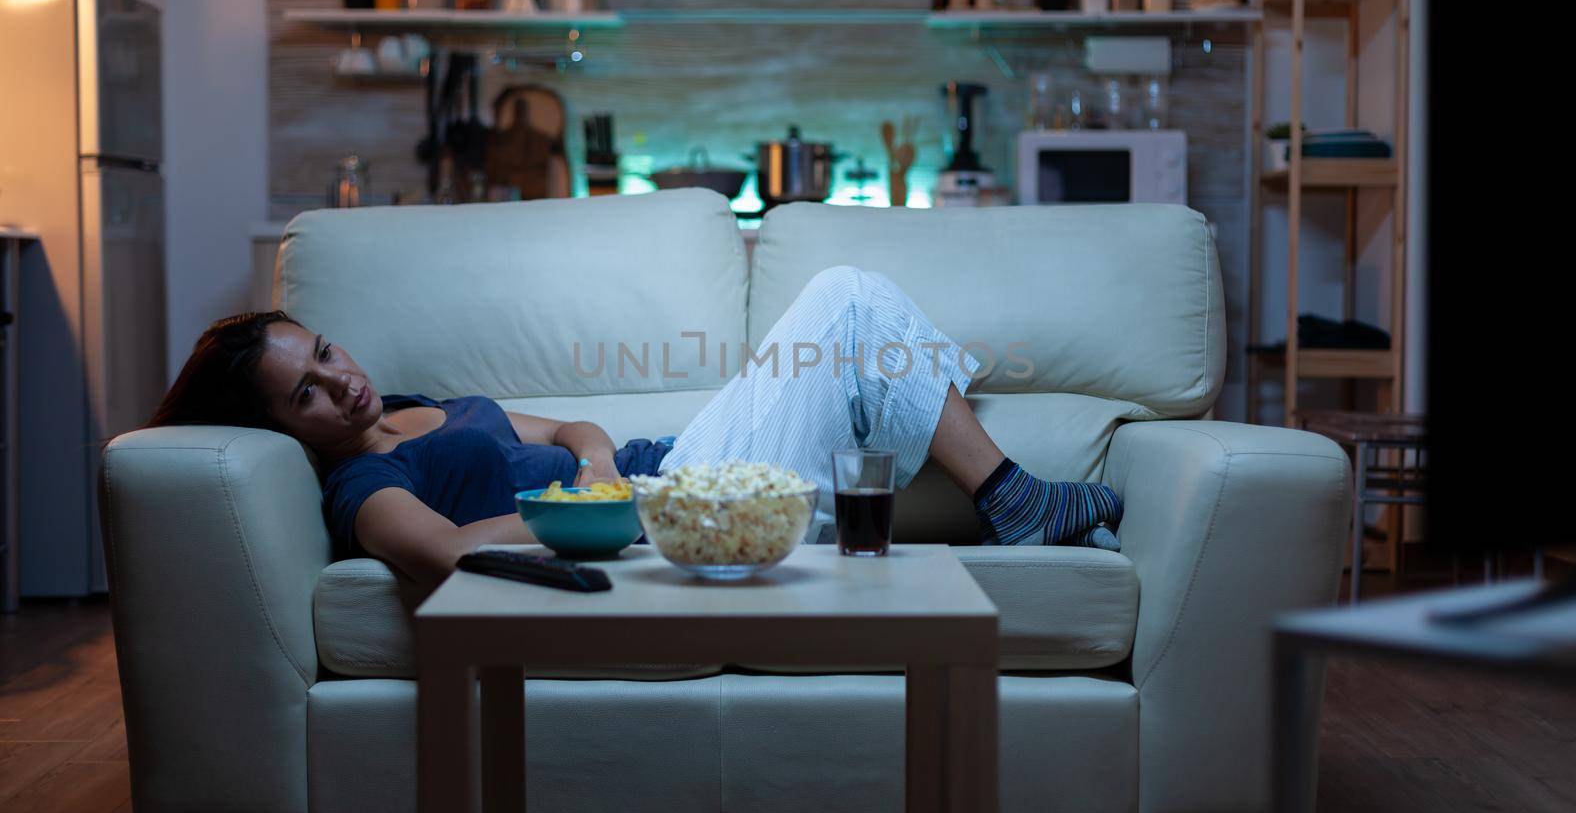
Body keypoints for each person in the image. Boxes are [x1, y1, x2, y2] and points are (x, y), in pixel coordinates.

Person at [146, 266, 1121, 585]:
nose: (338, 378)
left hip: (672, 473)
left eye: (323, 351)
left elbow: (572, 423)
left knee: (860, 333)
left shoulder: (415, 405)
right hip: (665, 514)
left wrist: (601, 459)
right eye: (305, 391)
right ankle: (1013, 497)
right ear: (280, 426)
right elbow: (441, 550)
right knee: (848, 298)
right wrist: (590, 510)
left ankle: (993, 470)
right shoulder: (362, 486)